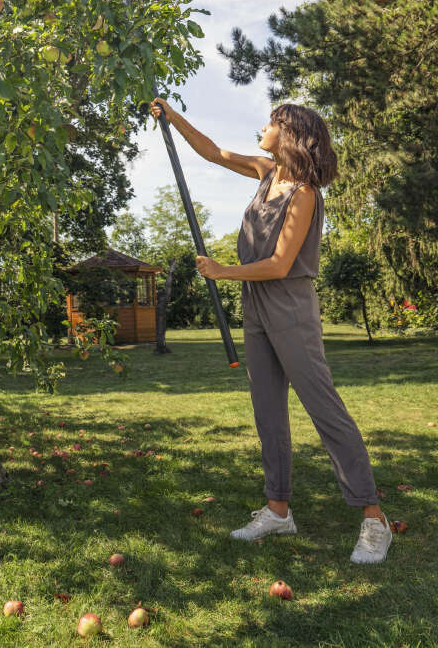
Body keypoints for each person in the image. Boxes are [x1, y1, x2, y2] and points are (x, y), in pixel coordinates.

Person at [149, 97, 393, 564]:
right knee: (268, 413)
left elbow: (281, 264)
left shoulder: (303, 193)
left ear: (290, 134)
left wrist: (222, 271)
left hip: (290, 306)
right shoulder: (265, 173)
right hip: (256, 309)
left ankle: (373, 517)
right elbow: (213, 153)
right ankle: (278, 509)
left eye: (271, 123)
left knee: (325, 410)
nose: (262, 127)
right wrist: (173, 117)